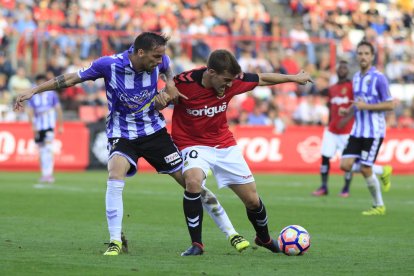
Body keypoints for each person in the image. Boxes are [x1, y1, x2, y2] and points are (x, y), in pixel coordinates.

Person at [14, 32, 249, 256]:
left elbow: (167, 67)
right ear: (139, 53)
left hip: (154, 132)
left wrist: (169, 85)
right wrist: (34, 90)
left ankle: (232, 233)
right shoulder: (108, 65)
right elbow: (70, 79)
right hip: (122, 133)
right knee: (115, 173)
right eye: (155, 56)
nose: (160, 60)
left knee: (191, 182)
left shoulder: (160, 60)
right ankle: (115, 240)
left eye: (161, 56)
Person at [155, 49, 313, 256]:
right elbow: (163, 96)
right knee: (193, 182)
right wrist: (161, 99)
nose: (230, 85)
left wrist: (294, 78)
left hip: (224, 145)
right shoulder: (183, 83)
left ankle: (263, 238)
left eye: (232, 81)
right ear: (211, 72)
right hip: (191, 144)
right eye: (226, 80)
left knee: (252, 200)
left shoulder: (233, 80)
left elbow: (263, 78)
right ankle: (197, 244)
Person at [313, 60, 393, 198]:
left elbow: (356, 104)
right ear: (337, 71)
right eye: (340, 68)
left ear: (348, 70)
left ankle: (346, 189)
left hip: (348, 130)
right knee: (325, 157)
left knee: (350, 164)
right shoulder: (332, 88)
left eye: (345, 68)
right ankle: (324, 186)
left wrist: (346, 119)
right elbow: (331, 107)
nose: (342, 70)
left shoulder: (353, 86)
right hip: (332, 129)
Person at [339, 40, 394, 216]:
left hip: (373, 132)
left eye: (366, 54)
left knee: (364, 168)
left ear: (372, 56)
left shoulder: (379, 78)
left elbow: (390, 105)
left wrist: (367, 107)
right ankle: (383, 170)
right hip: (357, 130)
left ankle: (379, 205)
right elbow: (358, 103)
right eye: (360, 53)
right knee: (345, 165)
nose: (363, 56)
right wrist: (347, 109)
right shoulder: (356, 78)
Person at [26, 74, 64, 183]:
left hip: (49, 126)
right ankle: (44, 173)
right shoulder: (33, 95)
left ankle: (49, 174)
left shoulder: (51, 94)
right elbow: (30, 111)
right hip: (38, 126)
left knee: (48, 148)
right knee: (42, 150)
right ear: (37, 83)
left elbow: (58, 109)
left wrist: (60, 125)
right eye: (39, 83)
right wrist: (32, 125)